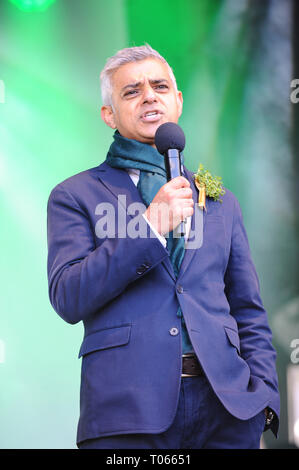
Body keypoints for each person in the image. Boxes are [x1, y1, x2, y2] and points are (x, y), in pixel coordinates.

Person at [47, 44, 280, 449]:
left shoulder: (219, 198)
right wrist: (151, 225)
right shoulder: (75, 194)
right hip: (127, 412)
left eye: (159, 86)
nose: (149, 96)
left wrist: (263, 400)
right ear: (109, 114)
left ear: (178, 101)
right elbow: (69, 296)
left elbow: (248, 310)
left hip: (227, 411)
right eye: (132, 91)